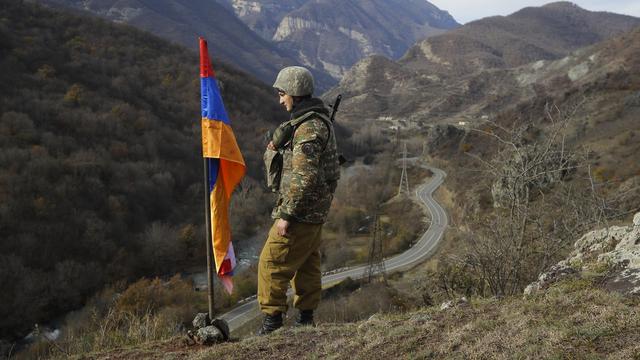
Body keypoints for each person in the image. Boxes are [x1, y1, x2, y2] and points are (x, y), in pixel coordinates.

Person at [257, 66, 340, 334]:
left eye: (283, 94)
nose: (281, 100)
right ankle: (305, 321)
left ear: (295, 93)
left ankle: (272, 325)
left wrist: (287, 215)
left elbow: (304, 175)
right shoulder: (311, 122)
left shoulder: (308, 128)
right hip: (313, 211)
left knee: (271, 263)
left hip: (301, 212)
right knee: (306, 264)